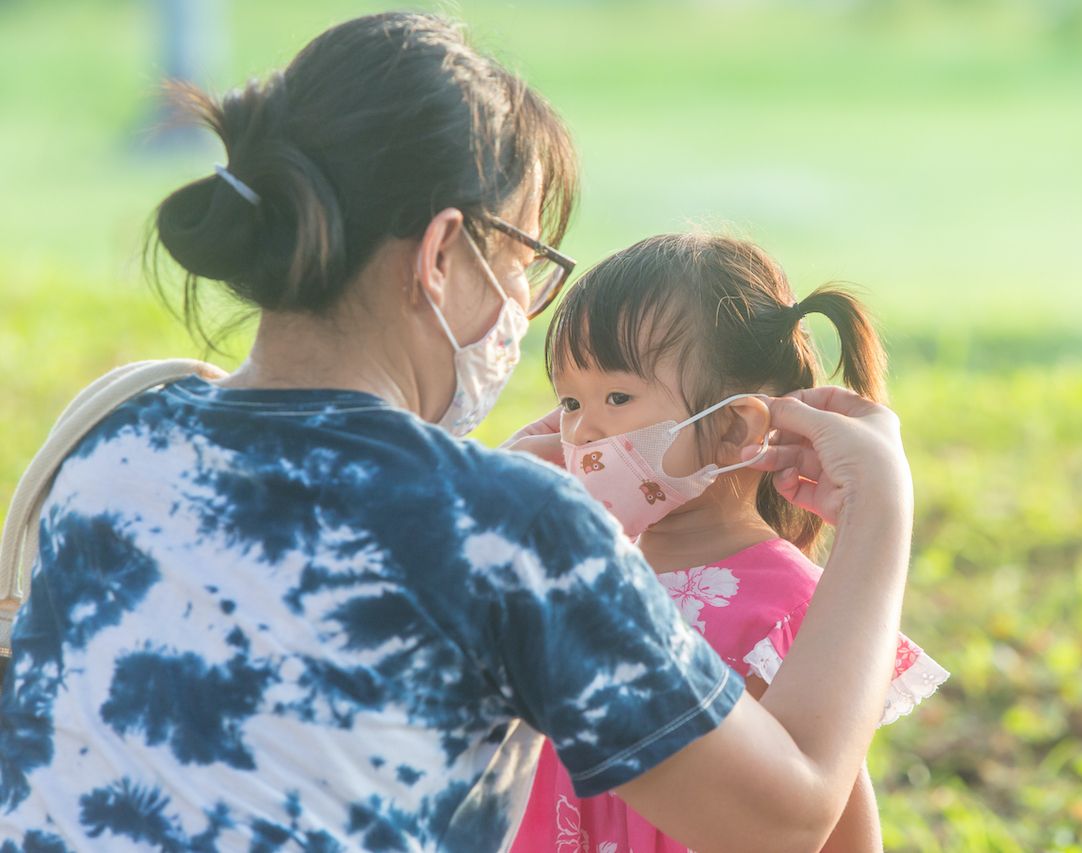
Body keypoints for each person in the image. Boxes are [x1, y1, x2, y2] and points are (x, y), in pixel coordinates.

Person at [0, 13, 915, 851]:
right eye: (524, 261)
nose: (521, 306)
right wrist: (878, 511)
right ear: (442, 255)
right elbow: (786, 817)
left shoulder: (115, 442)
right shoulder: (514, 526)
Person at [508, 234, 947, 852]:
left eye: (617, 397)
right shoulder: (571, 571)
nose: (581, 430)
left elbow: (828, 812)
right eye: (570, 401)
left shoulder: (791, 605)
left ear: (736, 426)